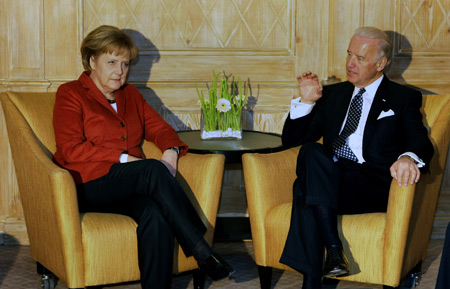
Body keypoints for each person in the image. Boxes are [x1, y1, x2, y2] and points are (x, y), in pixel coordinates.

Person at [52, 25, 234, 289]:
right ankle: (202, 250)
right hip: (87, 185)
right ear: (92, 61)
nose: (119, 71)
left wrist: (171, 152)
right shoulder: (71, 93)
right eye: (111, 62)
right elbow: (71, 149)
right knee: (149, 170)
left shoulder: (132, 95)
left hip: (128, 187)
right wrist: (126, 160)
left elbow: (160, 129)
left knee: (155, 213)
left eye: (125, 64)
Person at [279, 26, 434, 289]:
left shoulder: (403, 97)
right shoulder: (332, 95)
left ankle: (317, 276)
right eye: (349, 54)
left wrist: (408, 158)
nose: (350, 63)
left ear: (381, 64)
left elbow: (418, 139)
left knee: (303, 190)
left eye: (360, 59)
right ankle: (334, 251)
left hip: (369, 183)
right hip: (331, 177)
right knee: (311, 152)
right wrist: (306, 102)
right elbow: (292, 143)